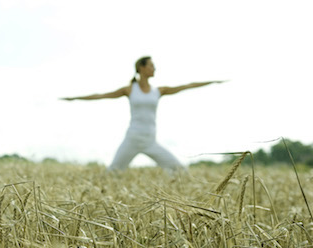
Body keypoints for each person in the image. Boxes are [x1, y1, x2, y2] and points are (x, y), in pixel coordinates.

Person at [62, 56, 225, 171]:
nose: (154, 68)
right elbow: (101, 95)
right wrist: (74, 98)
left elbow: (187, 85)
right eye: (151, 65)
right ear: (141, 68)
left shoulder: (158, 91)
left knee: (179, 169)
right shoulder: (129, 89)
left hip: (150, 140)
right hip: (132, 138)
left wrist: (212, 81)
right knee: (114, 171)